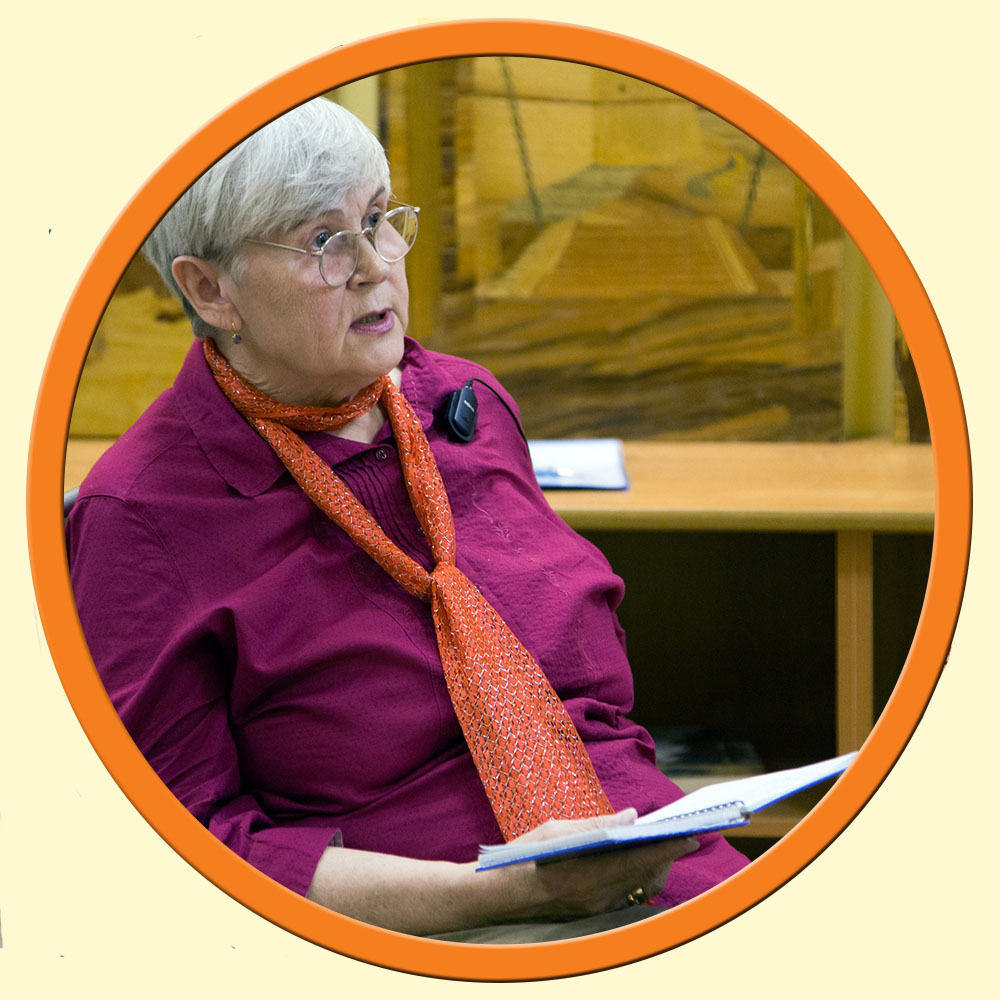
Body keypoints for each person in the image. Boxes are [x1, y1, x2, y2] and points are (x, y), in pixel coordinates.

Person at [67, 97, 747, 942]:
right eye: (324, 240)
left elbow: (590, 704)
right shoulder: (140, 515)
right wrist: (505, 894)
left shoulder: (467, 401)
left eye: (379, 219)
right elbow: (188, 847)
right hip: (434, 929)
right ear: (211, 290)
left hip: (658, 861)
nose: (374, 265)